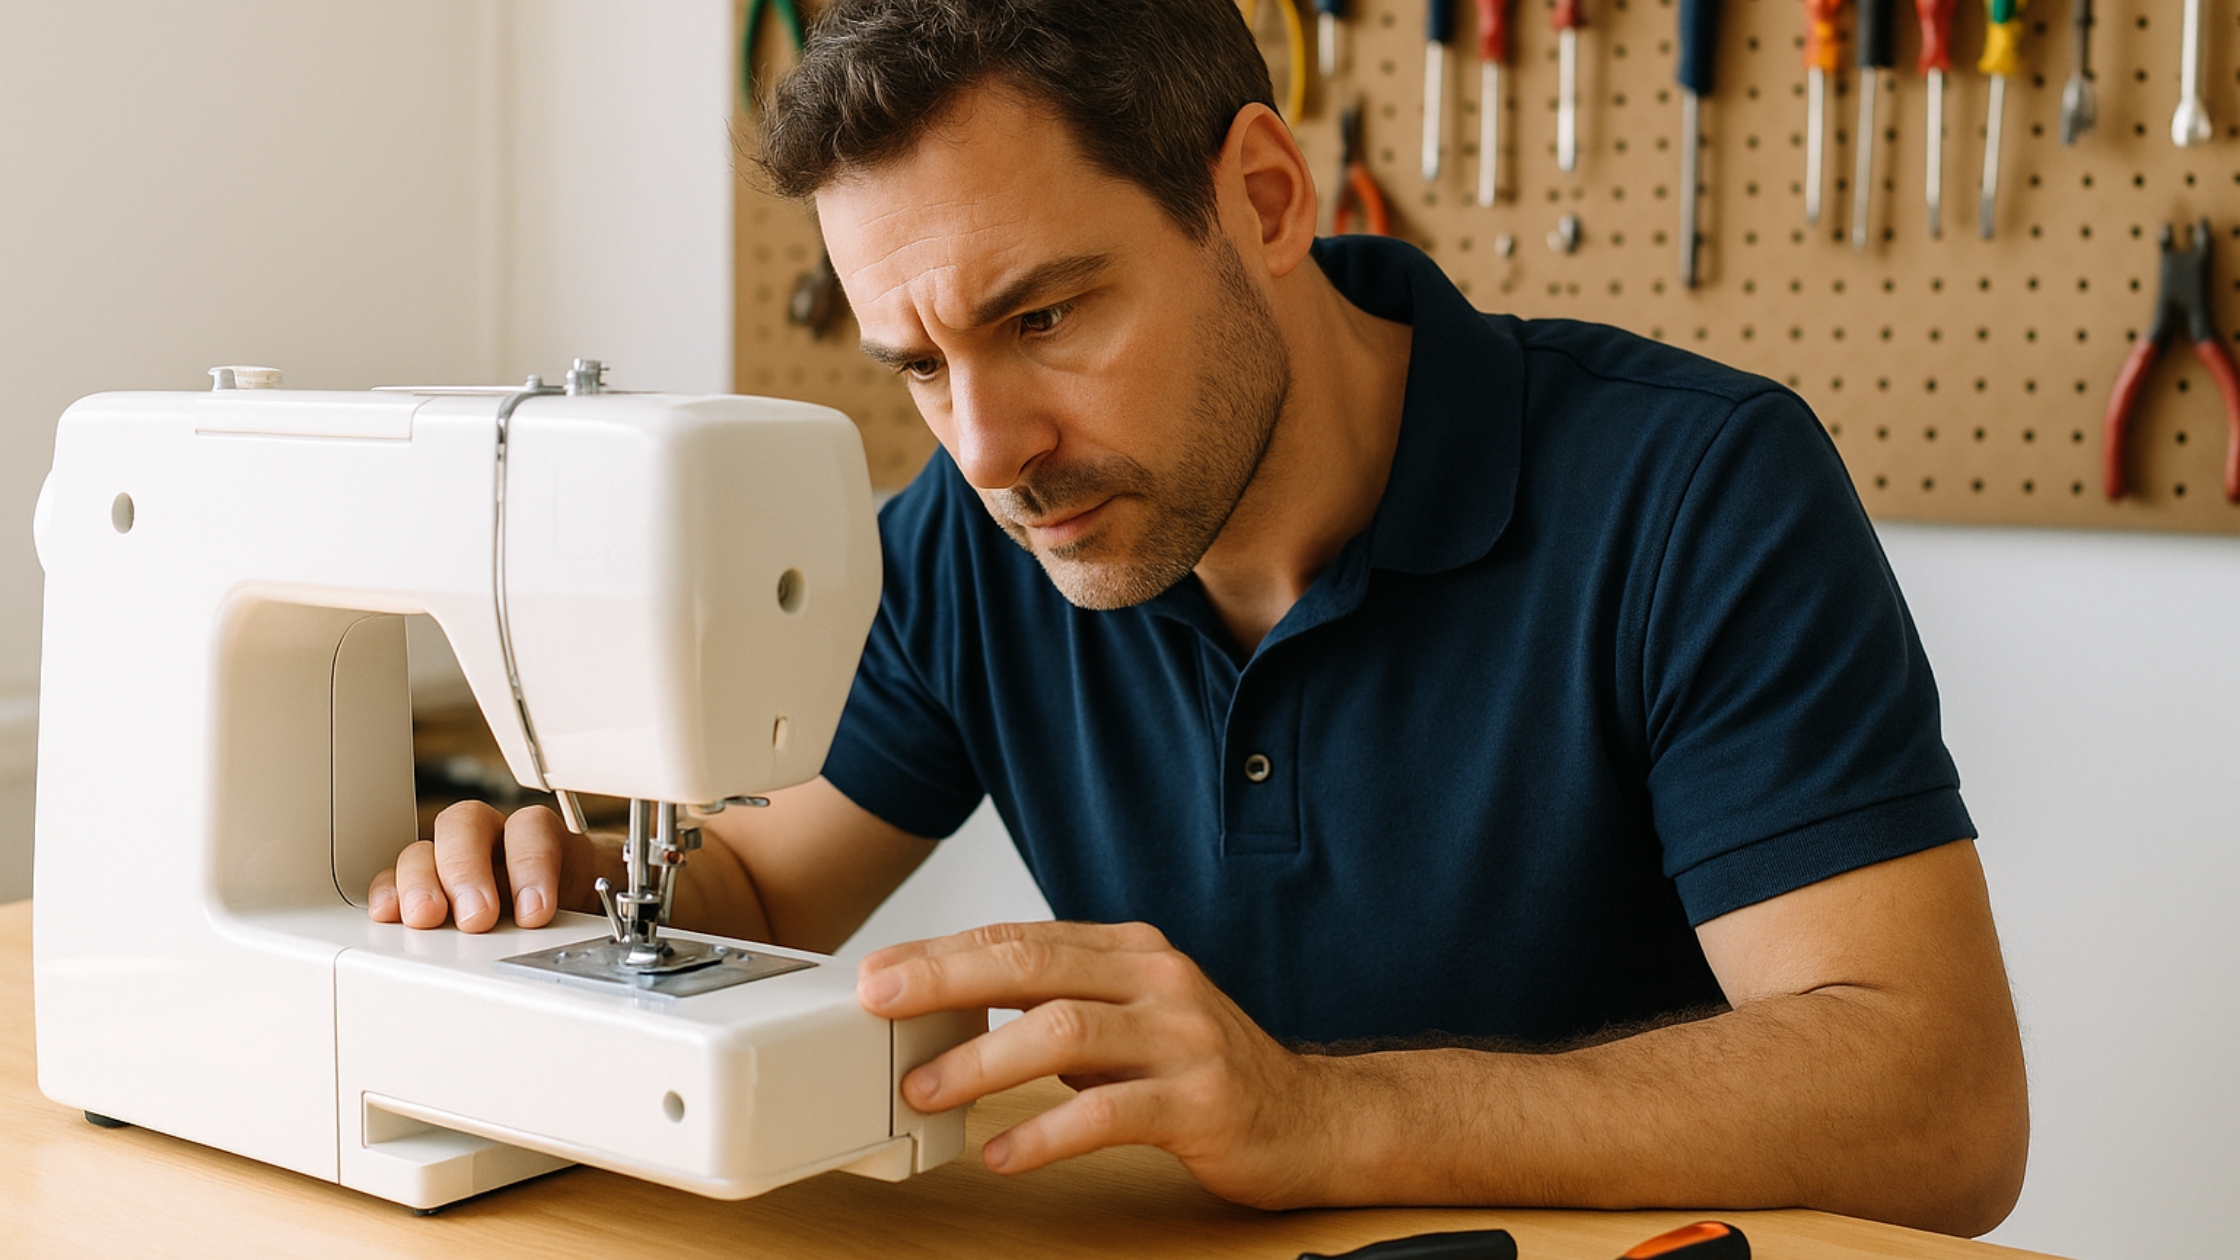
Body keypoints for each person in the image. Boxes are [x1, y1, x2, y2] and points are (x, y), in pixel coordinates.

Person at [369, 0, 2027, 1234]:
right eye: (921, 367)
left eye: (1046, 314)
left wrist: (1327, 1117)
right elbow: (748, 893)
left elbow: (1939, 1104)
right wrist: (558, 888)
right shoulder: (973, 542)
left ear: (1265, 195)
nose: (988, 448)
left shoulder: (1692, 492)